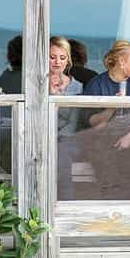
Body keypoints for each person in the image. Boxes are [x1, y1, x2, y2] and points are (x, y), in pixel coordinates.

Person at [80, 40, 130, 199]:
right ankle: (113, 207)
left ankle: (127, 205)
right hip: (104, 137)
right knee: (108, 168)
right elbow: (91, 122)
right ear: (122, 61)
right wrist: (112, 108)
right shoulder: (97, 84)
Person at [48, 36, 83, 200]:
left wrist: (57, 102)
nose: (57, 62)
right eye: (52, 57)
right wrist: (48, 95)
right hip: (42, 135)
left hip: (66, 138)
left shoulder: (77, 87)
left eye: (62, 58)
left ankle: (64, 206)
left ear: (68, 60)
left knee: (62, 154)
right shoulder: (35, 85)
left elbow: (73, 123)